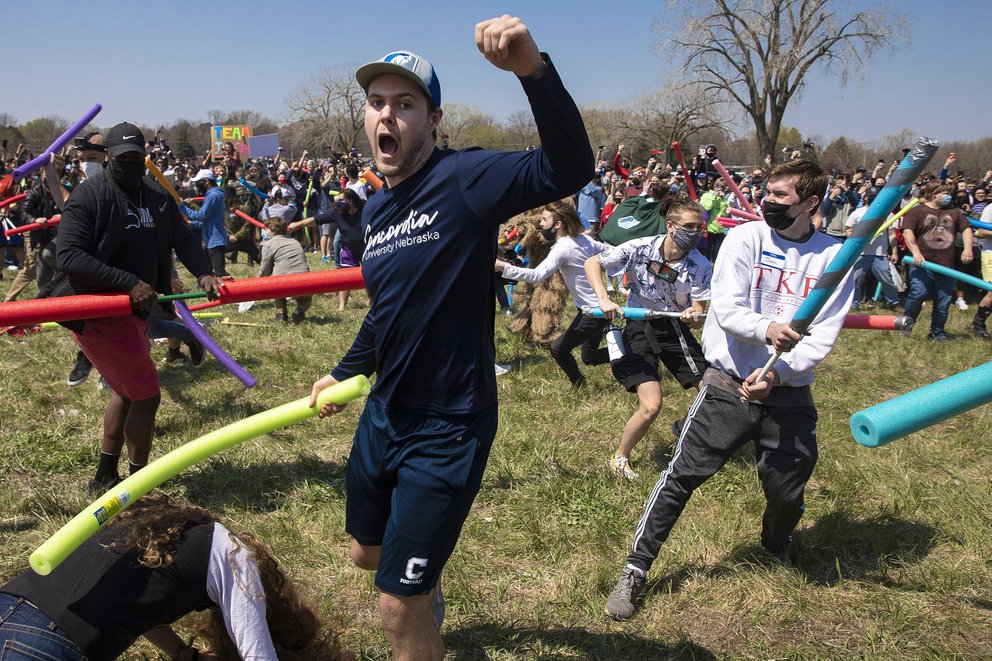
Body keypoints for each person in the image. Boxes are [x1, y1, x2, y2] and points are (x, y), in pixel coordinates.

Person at [308, 16, 591, 660]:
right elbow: (387, 309)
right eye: (377, 103)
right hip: (385, 411)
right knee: (364, 553)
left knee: (394, 603)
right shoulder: (378, 208)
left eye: (405, 104)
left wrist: (532, 71)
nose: (388, 115)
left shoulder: (466, 179)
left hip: (448, 422)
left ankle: (415, 602)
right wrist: (346, 368)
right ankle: (420, 582)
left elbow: (570, 165)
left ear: (433, 120)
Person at [604, 159, 855, 621]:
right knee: (682, 476)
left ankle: (776, 543)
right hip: (726, 384)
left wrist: (778, 375)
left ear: (811, 203)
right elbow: (727, 309)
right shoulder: (746, 238)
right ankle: (636, 568)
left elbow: (825, 331)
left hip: (788, 390)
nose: (768, 201)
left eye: (781, 196)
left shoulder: (833, 258)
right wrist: (768, 330)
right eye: (767, 191)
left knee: (787, 489)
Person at [41, 122, 220, 493]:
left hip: (134, 311)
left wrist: (205, 272)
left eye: (137, 158)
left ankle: (105, 475)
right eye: (123, 159)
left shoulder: (156, 196)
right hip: (101, 312)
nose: (131, 165)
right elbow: (69, 256)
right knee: (146, 395)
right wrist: (127, 283)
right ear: (109, 158)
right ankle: (139, 481)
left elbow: (184, 239)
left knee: (126, 390)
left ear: (145, 158)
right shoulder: (91, 196)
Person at [0, 495, 351, 660]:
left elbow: (139, 608)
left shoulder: (144, 534)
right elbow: (259, 656)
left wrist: (185, 655)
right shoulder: (235, 558)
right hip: (47, 645)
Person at [585, 198, 711, 480]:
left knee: (710, 393)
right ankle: (619, 457)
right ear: (670, 226)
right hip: (639, 324)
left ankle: (684, 429)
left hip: (675, 327)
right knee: (652, 404)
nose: (696, 232)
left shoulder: (700, 264)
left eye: (699, 227)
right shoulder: (640, 247)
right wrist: (604, 298)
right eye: (689, 226)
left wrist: (694, 314)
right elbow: (593, 262)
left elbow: (698, 308)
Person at [496, 200, 608, 387]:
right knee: (590, 357)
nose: (540, 223)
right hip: (596, 307)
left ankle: (579, 384)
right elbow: (612, 253)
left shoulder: (563, 247)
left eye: (544, 219)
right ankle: (629, 351)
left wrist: (504, 268)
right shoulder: (583, 239)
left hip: (594, 311)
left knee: (558, 349)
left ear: (558, 224)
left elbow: (537, 275)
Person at [901, 181, 974, 340]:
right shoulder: (917, 211)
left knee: (943, 303)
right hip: (922, 264)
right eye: (944, 192)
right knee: (918, 294)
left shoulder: (954, 212)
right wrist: (916, 253)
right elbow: (908, 232)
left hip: (946, 266)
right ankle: (906, 323)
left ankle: (937, 333)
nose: (948, 196)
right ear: (934, 193)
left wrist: (968, 249)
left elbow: (967, 228)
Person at [844, 186, 900, 309]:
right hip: (861, 252)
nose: (873, 200)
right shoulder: (858, 213)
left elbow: (892, 234)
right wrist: (857, 239)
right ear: (866, 197)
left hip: (880, 253)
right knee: (856, 279)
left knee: (886, 278)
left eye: (875, 198)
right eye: (871, 197)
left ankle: (893, 302)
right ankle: (854, 303)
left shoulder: (887, 213)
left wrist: (894, 252)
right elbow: (848, 230)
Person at [259, 217, 312, 323]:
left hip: (282, 281)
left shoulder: (268, 244)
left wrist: (258, 282)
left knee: (278, 293)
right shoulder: (295, 242)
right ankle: (299, 310)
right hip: (304, 279)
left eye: (266, 229)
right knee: (305, 299)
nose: (265, 232)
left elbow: (265, 268)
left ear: (273, 231)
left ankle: (281, 314)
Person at [181, 169, 229, 277]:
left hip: (216, 240)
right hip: (211, 240)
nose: (197, 185)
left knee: (220, 273)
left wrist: (182, 206)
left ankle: (238, 291)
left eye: (198, 182)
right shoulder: (212, 195)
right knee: (208, 271)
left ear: (206, 181)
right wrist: (191, 223)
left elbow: (201, 216)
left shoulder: (213, 196)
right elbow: (209, 222)